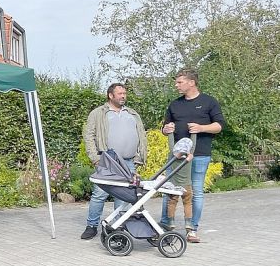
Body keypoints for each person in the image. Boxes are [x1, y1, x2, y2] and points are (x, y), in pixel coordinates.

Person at [159, 69, 225, 243]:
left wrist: (202, 128)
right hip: (177, 156)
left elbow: (219, 126)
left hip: (200, 155)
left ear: (191, 82)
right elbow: (165, 127)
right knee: (169, 190)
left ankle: (192, 229)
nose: (176, 85)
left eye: (179, 82)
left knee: (195, 192)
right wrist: (165, 130)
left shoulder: (209, 102)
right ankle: (165, 226)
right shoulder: (175, 104)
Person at [80, 83, 148, 240]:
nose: (123, 96)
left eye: (124, 93)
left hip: (129, 161)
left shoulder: (132, 113)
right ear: (111, 95)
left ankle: (118, 226)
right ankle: (91, 226)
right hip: (108, 161)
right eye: (120, 93)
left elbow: (141, 136)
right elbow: (89, 135)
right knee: (99, 193)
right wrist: (95, 158)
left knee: (124, 195)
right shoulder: (99, 113)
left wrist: (139, 157)